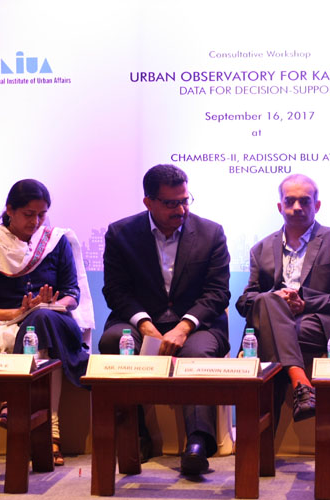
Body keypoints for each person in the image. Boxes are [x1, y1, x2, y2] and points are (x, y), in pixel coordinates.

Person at [99, 164, 231, 475]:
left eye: (185, 200)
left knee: (196, 355)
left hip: (197, 323)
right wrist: (145, 326)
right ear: (149, 202)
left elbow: (217, 292)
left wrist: (184, 327)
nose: (181, 210)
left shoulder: (211, 233)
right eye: (171, 203)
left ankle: (197, 443)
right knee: (115, 341)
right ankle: (136, 435)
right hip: (140, 320)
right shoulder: (121, 233)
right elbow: (115, 291)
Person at [0, 179, 94, 467]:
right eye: (29, 214)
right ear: (10, 210)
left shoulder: (56, 242)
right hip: (5, 321)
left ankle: (14, 404)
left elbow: (72, 294)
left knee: (41, 320)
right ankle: (51, 435)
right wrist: (19, 312)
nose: (36, 222)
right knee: (35, 329)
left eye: (42, 214)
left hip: (56, 318)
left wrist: (51, 305)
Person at [236, 174, 330, 424]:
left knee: (269, 330)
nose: (297, 207)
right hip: (287, 326)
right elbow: (245, 300)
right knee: (269, 300)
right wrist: (276, 298)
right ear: (279, 206)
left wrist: (304, 303)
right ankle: (300, 383)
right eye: (290, 201)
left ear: (317, 205)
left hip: (322, 324)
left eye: (304, 201)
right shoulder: (260, 248)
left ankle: (259, 437)